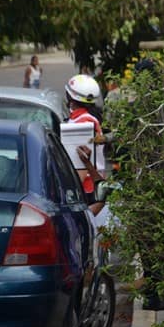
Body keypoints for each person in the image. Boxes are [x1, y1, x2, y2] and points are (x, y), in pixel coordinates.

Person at [65, 74, 108, 223]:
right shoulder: (86, 119)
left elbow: (81, 166)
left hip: (85, 190)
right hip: (93, 187)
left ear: (69, 97)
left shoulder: (82, 124)